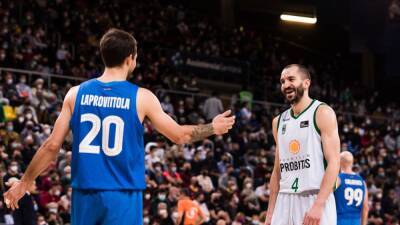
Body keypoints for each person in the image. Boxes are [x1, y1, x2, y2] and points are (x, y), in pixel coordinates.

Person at [3, 28, 235, 225]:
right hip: (122, 195)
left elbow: (52, 145)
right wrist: (212, 127)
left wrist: (24, 183)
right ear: (130, 59)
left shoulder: (75, 94)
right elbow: (179, 136)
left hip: (84, 194)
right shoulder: (141, 97)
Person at [264, 64, 340, 225]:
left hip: (314, 196)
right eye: (282, 81)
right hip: (284, 199)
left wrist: (319, 205)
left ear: (306, 83)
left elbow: (334, 162)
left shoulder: (322, 112)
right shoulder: (277, 122)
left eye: (291, 79)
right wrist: (270, 213)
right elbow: (277, 170)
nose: (286, 85)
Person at [334, 151, 369, 225]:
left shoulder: (338, 179)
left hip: (340, 220)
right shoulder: (362, 181)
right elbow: (365, 207)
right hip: (356, 221)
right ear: (352, 163)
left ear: (339, 162)